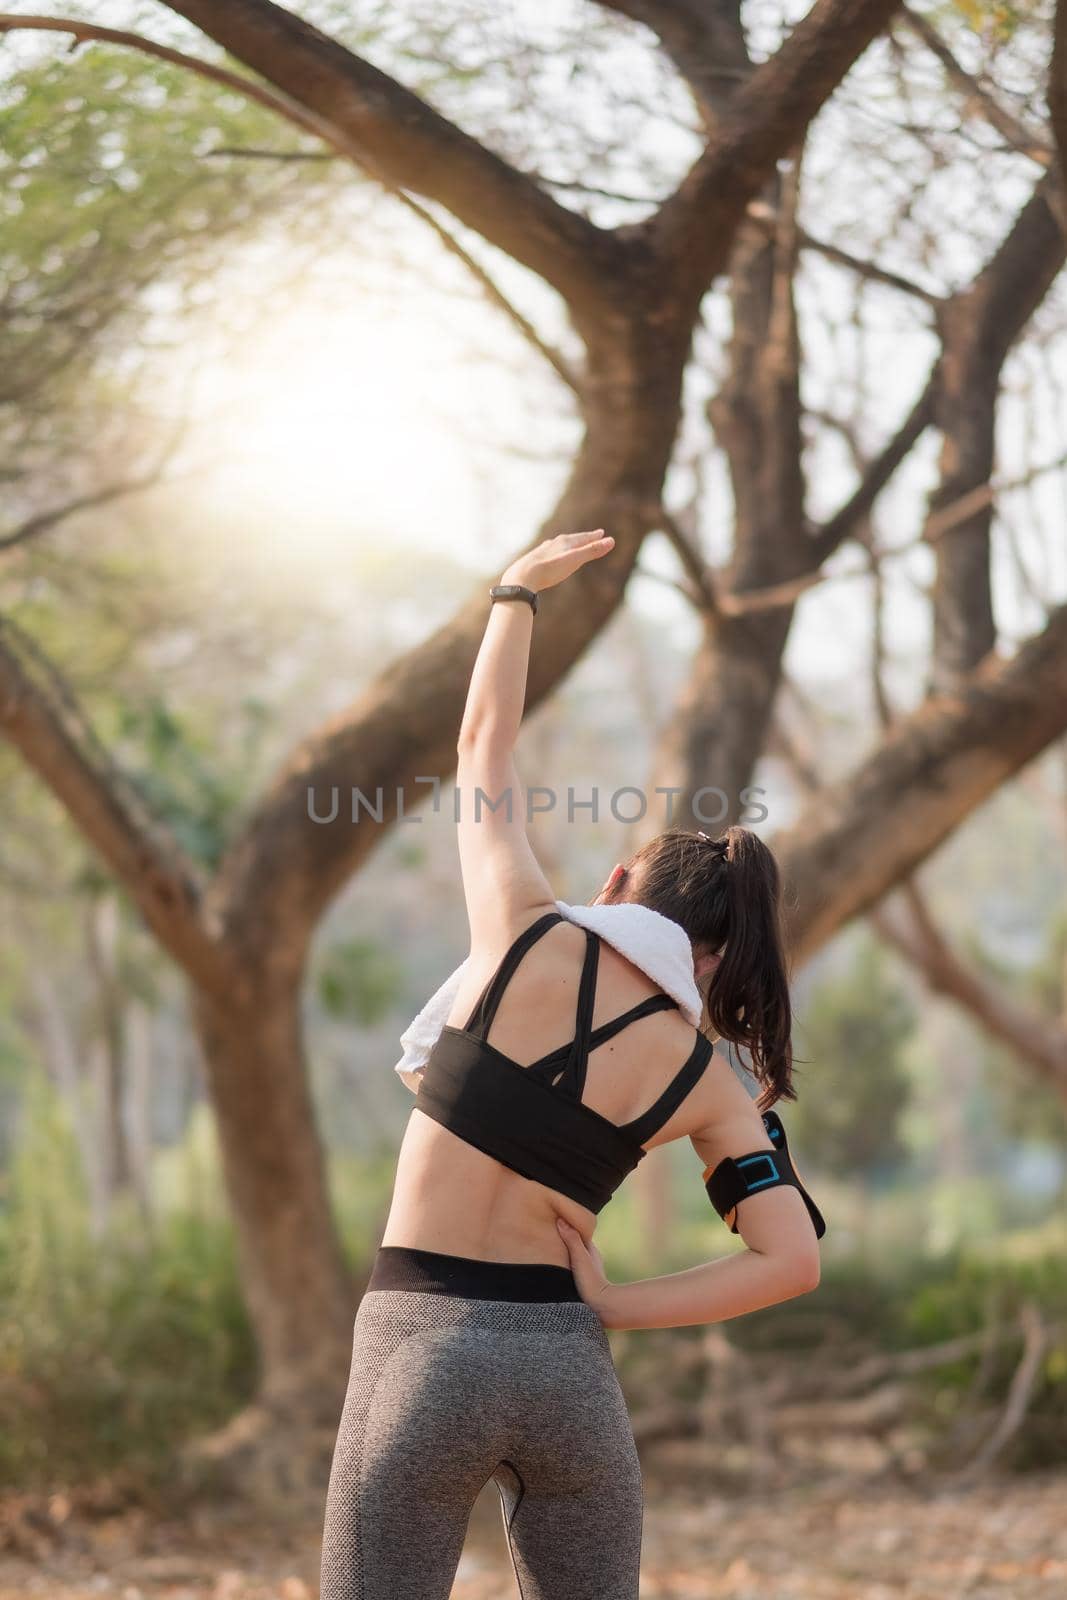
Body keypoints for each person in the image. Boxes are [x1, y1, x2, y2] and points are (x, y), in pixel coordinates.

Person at [319, 530, 824, 1600]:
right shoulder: (707, 1080)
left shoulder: (521, 931)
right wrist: (612, 1304)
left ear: (615, 882)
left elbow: (479, 745)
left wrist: (515, 593)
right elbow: (788, 1261)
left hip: (421, 1346)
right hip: (566, 1379)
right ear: (723, 956)